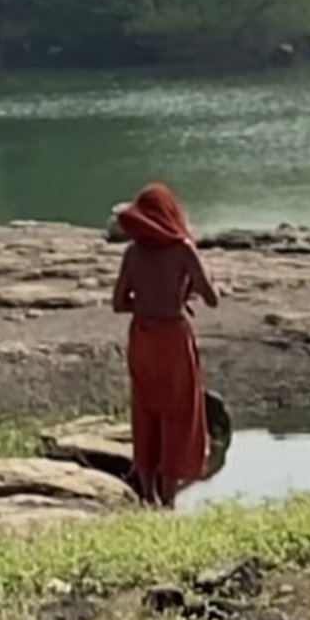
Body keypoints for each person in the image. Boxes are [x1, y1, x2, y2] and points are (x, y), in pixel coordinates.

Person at [111, 183, 218, 509]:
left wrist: (146, 305)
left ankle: (147, 492)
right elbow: (211, 298)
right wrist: (183, 296)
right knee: (178, 412)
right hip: (173, 337)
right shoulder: (182, 249)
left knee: (146, 409)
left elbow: (118, 303)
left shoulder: (133, 252)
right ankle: (169, 496)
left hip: (142, 336)